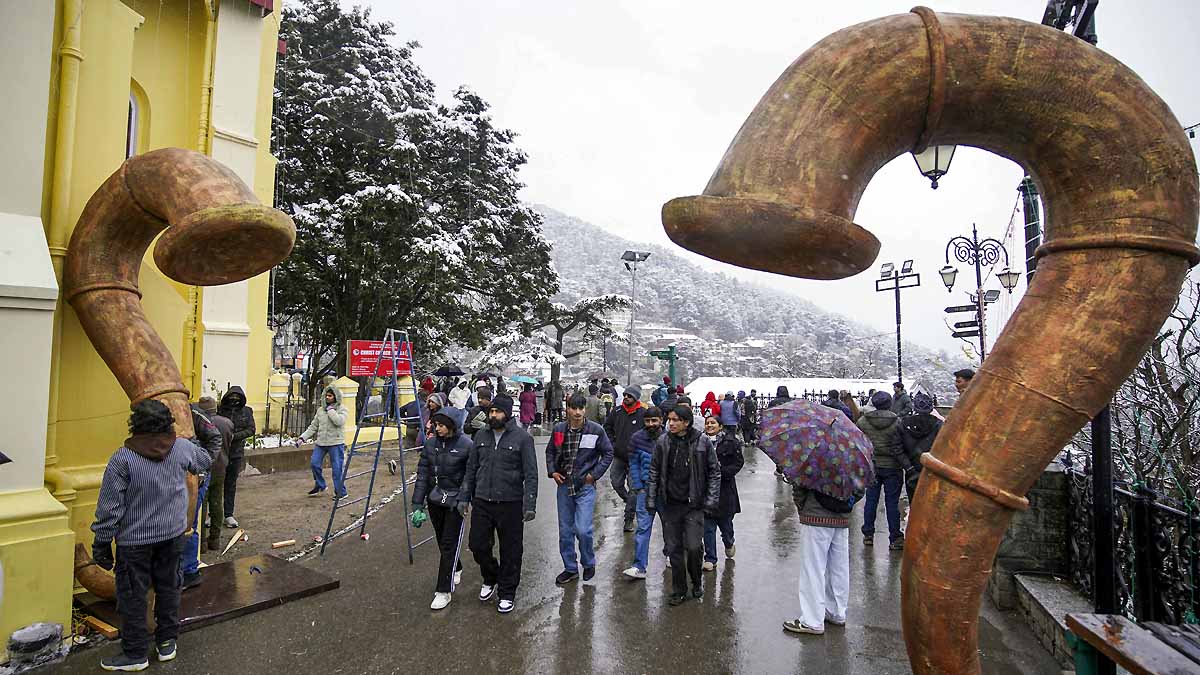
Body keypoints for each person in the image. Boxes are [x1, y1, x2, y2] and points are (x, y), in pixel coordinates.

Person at [91, 400, 210, 671]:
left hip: (134, 542)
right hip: (173, 535)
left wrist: (101, 541)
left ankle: (135, 654)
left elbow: (109, 507)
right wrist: (191, 440)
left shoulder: (123, 458)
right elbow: (204, 460)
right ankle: (167, 643)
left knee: (133, 596)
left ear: (135, 425)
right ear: (168, 423)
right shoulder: (181, 448)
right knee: (169, 589)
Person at [461, 393, 537, 613]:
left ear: (507, 413)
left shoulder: (523, 438)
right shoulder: (481, 437)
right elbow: (471, 469)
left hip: (511, 502)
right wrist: (465, 496)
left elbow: (531, 474)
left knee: (511, 550)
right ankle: (490, 576)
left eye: (497, 411)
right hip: (482, 500)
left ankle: (507, 591)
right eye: (491, 411)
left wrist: (529, 503)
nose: (493, 415)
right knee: (477, 545)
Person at [647, 405, 720, 605]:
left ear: (686, 422)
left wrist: (711, 500)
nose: (671, 423)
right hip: (670, 503)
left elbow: (714, 471)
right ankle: (679, 589)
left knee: (695, 547)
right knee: (674, 549)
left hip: (694, 504)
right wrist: (652, 499)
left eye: (675, 420)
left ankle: (696, 581)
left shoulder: (702, 442)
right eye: (669, 419)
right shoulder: (663, 441)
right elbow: (654, 471)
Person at [546, 393, 614, 585]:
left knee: (583, 529)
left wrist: (594, 474)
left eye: (580, 408)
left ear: (584, 409)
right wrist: (552, 472)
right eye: (573, 408)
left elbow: (608, 452)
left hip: (585, 486)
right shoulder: (559, 429)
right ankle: (570, 568)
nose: (577, 412)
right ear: (567, 409)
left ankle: (588, 562)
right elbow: (551, 451)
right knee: (565, 530)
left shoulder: (596, 430)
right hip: (564, 486)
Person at [411, 409, 473, 610]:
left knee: (448, 543)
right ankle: (457, 567)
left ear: (452, 425)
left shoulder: (466, 446)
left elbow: (469, 476)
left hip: (456, 502)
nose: (437, 429)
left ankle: (443, 591)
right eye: (435, 425)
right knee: (441, 539)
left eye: (441, 425)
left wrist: (464, 499)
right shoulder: (430, 445)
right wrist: (417, 503)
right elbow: (422, 475)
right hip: (435, 499)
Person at [783, 483, 858, 636]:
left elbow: (800, 482)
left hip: (815, 515)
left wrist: (802, 506)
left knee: (813, 569)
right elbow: (861, 485)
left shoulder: (815, 459)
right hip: (842, 516)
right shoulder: (853, 460)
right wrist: (849, 502)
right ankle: (837, 611)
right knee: (839, 567)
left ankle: (812, 620)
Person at [857, 391, 907, 550]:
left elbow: (859, 442)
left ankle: (868, 534)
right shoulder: (897, 422)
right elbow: (902, 443)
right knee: (892, 502)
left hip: (872, 465)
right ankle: (894, 537)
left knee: (871, 500)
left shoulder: (863, 421)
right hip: (893, 466)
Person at [180, 404, 222, 590]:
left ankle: (189, 571)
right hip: (178, 474)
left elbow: (215, 438)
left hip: (195, 476)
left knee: (189, 523)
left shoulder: (193, 413)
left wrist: (202, 468)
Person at [623, 405, 664, 580]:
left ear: (661, 420)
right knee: (643, 528)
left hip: (665, 491)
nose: (651, 424)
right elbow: (633, 463)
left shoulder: (668, 438)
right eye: (647, 421)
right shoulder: (636, 438)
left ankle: (670, 553)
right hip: (644, 490)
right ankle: (639, 566)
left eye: (654, 420)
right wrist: (638, 485)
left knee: (670, 528)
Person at [701, 415, 743, 571]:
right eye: (707, 423)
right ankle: (710, 558)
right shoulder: (700, 442)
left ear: (720, 426)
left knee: (726, 526)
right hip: (706, 491)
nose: (710, 425)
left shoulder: (731, 442)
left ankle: (729, 542)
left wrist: (722, 473)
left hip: (725, 491)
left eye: (713, 423)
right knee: (708, 527)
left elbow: (739, 463)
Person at [604, 385, 646, 533]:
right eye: (626, 395)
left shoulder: (643, 413)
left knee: (634, 488)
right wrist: (612, 443)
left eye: (630, 396)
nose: (626, 398)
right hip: (619, 455)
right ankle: (628, 500)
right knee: (616, 482)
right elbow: (607, 427)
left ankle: (629, 518)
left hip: (636, 458)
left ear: (636, 398)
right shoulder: (616, 412)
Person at [299, 384, 348, 500]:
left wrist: (331, 410)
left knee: (337, 469)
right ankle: (320, 485)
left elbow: (339, 422)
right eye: (326, 395)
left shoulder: (342, 409)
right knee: (314, 463)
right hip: (321, 443)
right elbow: (313, 426)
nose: (327, 398)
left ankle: (341, 492)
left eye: (330, 396)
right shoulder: (321, 410)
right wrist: (302, 438)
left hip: (336, 443)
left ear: (336, 397)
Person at [216, 386, 255, 529]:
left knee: (230, 484)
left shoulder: (246, 411)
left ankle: (228, 514)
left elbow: (251, 429)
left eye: (237, 398)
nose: (234, 400)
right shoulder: (220, 410)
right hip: (220, 452)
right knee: (216, 484)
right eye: (231, 397)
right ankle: (213, 514)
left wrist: (234, 437)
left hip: (235, 453)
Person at [197, 397, 231, 553]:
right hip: (221, 467)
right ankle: (215, 540)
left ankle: (201, 543)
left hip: (203, 469)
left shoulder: (199, 422)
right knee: (217, 503)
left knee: (201, 505)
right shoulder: (226, 423)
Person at [898, 392, 942, 500]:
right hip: (931, 469)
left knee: (913, 503)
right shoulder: (939, 425)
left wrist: (909, 467)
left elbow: (897, 448)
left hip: (911, 469)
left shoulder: (903, 424)